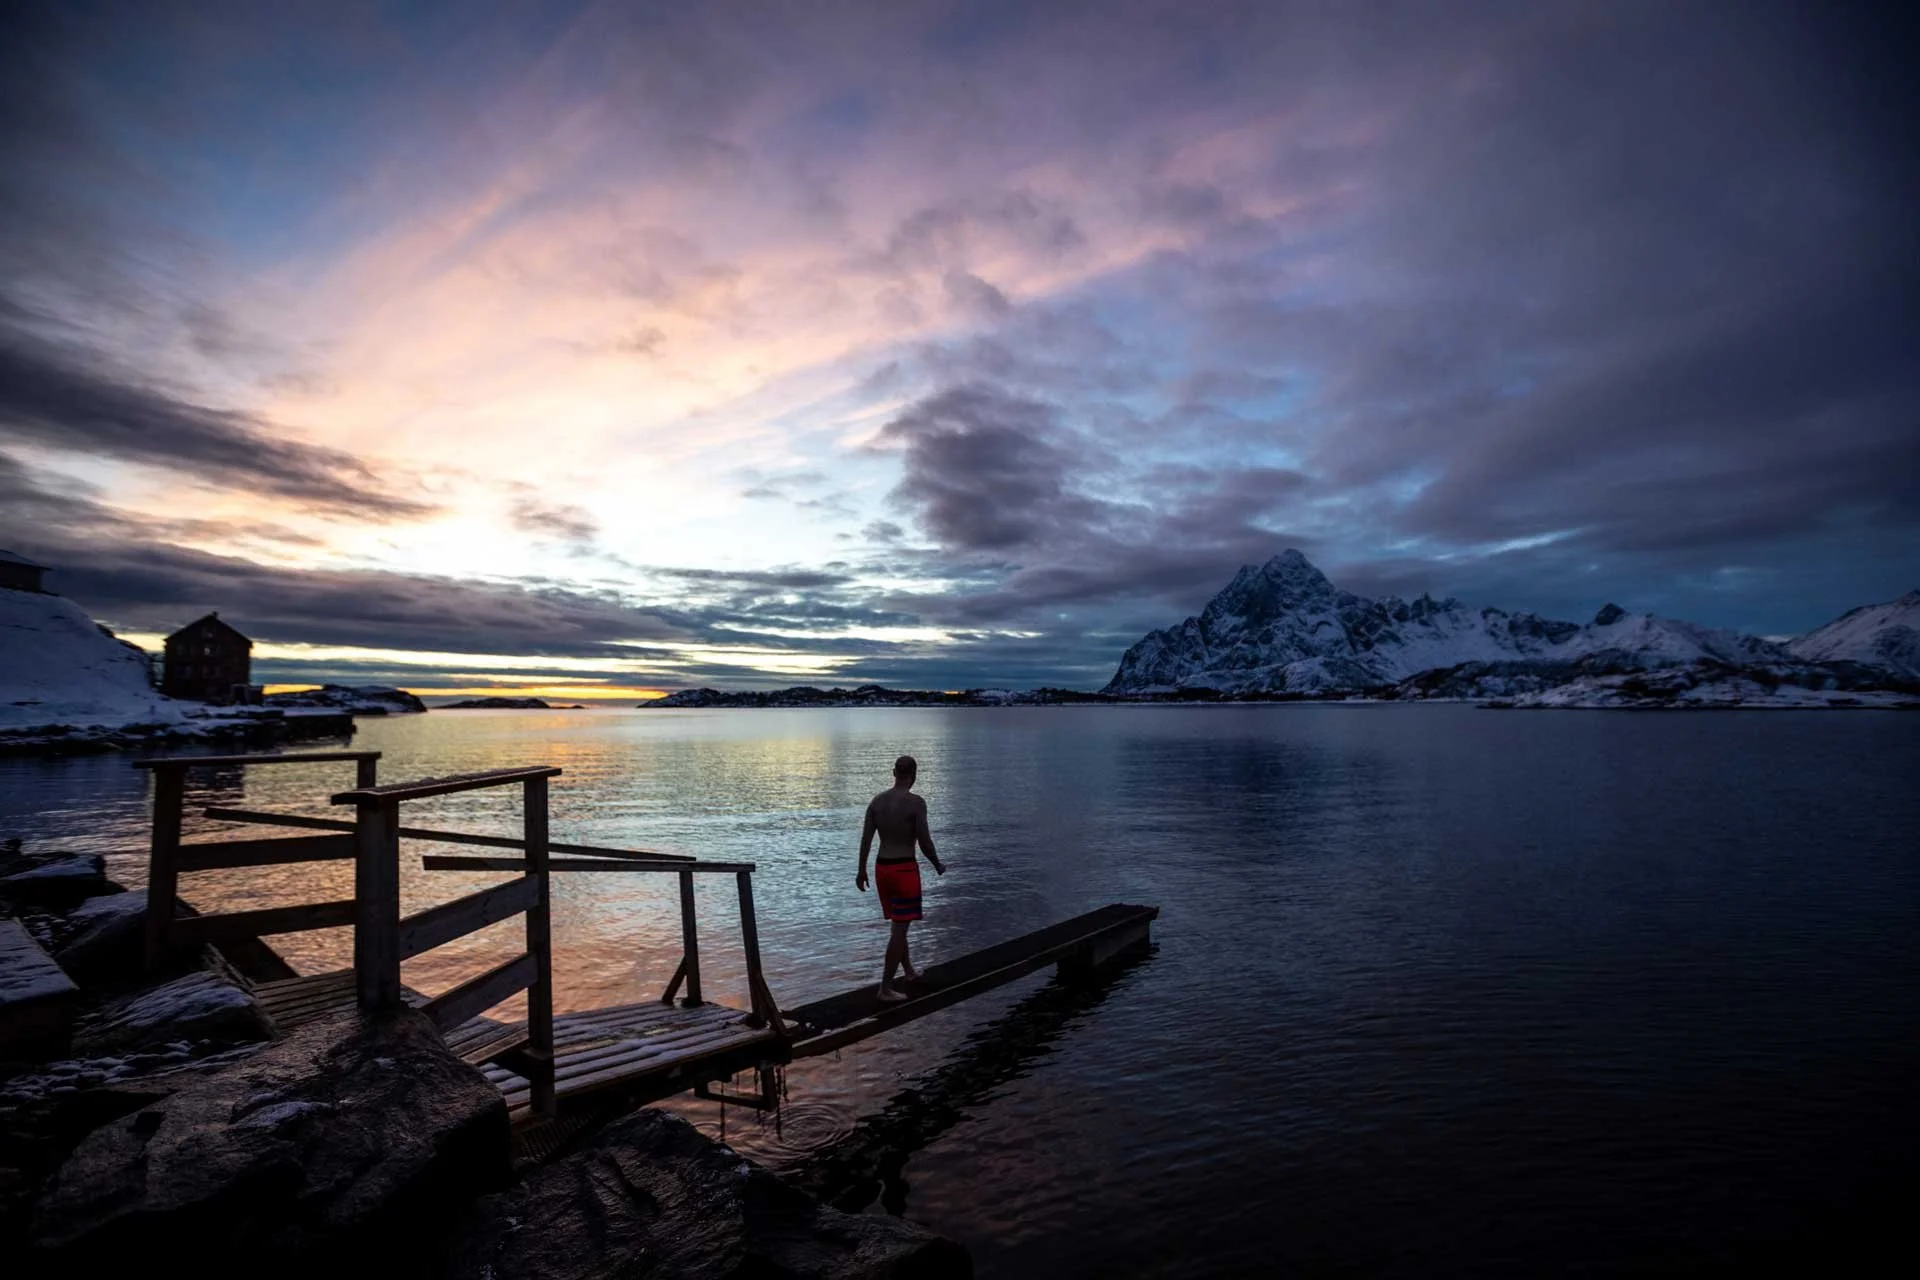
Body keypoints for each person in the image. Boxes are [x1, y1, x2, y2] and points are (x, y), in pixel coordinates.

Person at [855, 754, 945, 1001]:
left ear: (894, 773)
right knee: (899, 930)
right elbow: (924, 841)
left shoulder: (877, 802)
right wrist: (937, 863)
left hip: (882, 869)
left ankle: (909, 972)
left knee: (898, 925)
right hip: (904, 870)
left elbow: (866, 839)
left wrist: (861, 870)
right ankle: (884, 988)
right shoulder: (916, 803)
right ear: (913, 776)